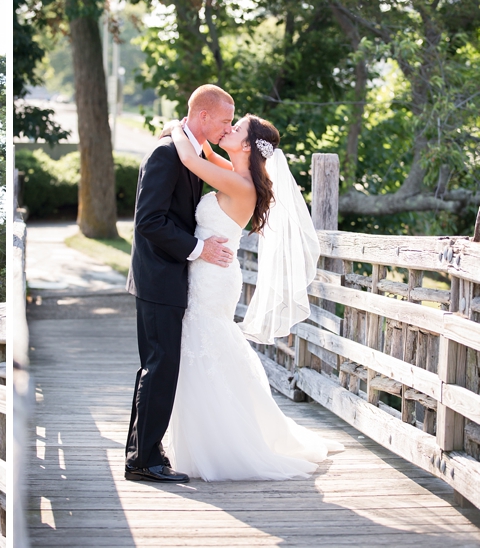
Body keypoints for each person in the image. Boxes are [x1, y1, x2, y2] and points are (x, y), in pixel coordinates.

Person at [164, 114, 344, 480]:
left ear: (247, 145)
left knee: (202, 345)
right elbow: (205, 156)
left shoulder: (242, 185)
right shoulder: (234, 173)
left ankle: (221, 444)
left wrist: (174, 127)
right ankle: (207, 437)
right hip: (209, 272)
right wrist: (193, 134)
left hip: (212, 280)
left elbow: (189, 159)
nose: (228, 130)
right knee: (204, 347)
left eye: (236, 128)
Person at [124, 84, 237, 483]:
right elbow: (148, 220)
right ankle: (143, 461)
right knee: (159, 367)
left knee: (158, 367)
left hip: (168, 277)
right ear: (203, 116)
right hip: (159, 277)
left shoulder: (184, 149)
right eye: (225, 119)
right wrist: (198, 248)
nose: (229, 126)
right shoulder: (167, 153)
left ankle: (145, 452)